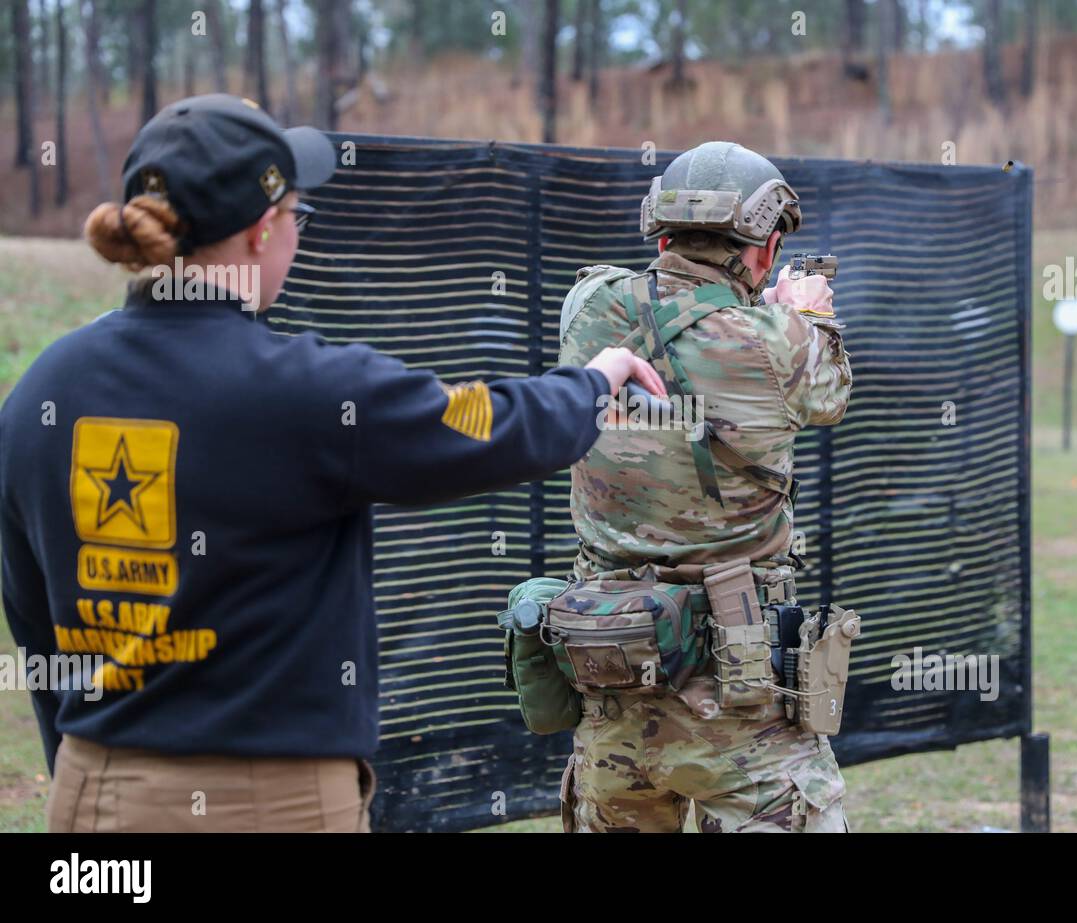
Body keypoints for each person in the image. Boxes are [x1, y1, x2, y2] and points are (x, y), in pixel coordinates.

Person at [0, 94, 665, 833]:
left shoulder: (39, 393)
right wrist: (595, 379)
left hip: (93, 798)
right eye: (297, 217)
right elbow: (488, 427)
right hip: (268, 803)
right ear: (260, 232)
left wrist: (86, 764)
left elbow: (32, 624)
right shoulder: (309, 391)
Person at [555, 141, 854, 832]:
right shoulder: (782, 342)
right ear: (767, 248)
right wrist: (805, 313)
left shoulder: (587, 308)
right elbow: (829, 392)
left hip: (613, 682)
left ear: (660, 232)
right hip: (742, 701)